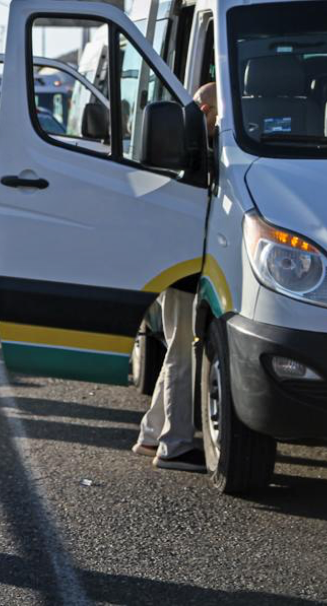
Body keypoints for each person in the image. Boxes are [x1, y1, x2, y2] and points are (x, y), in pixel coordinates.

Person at [134, 82, 219, 472]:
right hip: (183, 271)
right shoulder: (196, 155)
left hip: (171, 267)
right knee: (183, 353)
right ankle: (175, 444)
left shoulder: (179, 151)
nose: (222, 123)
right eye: (220, 115)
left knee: (176, 350)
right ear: (203, 112)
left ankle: (153, 434)